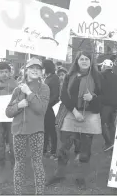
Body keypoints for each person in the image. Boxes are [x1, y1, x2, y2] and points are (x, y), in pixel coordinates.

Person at [46, 51, 102, 190]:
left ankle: (80, 177)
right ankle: (59, 174)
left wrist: (93, 98)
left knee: (85, 149)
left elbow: (103, 97)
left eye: (86, 59)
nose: (84, 61)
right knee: (64, 147)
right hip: (72, 113)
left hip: (89, 115)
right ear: (77, 61)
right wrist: (75, 112)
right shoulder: (69, 76)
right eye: (81, 59)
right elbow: (64, 95)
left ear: (91, 61)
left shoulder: (97, 77)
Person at [5, 57, 50, 195]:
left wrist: (29, 94)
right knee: (19, 163)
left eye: (38, 68)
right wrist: (19, 105)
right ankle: (18, 193)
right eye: (32, 68)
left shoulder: (44, 88)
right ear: (26, 71)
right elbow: (8, 112)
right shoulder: (18, 90)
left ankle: (40, 193)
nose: (35, 71)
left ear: (42, 72)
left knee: (37, 162)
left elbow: (41, 109)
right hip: (18, 130)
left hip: (36, 131)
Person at [56, 66, 81, 158]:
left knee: (76, 132)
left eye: (62, 74)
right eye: (59, 75)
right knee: (62, 129)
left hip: (72, 108)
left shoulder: (71, 83)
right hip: (63, 109)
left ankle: (78, 151)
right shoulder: (59, 85)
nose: (61, 77)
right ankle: (64, 150)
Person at [100, 59, 117, 151]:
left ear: (104, 66)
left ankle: (108, 142)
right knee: (111, 124)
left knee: (101, 124)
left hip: (105, 105)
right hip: (115, 104)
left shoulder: (100, 76)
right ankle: (113, 142)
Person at [42, 60, 60, 159]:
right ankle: (44, 150)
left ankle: (53, 152)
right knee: (45, 130)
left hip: (50, 108)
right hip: (45, 107)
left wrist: (47, 105)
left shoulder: (54, 78)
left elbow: (55, 94)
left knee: (51, 130)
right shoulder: (47, 78)